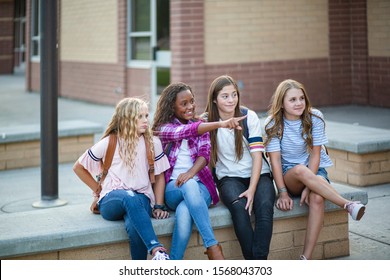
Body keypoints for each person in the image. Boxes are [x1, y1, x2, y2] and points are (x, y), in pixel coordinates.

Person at [264, 79, 366, 260]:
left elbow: (315, 155)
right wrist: (283, 193)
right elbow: (276, 161)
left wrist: (309, 187)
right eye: (293, 100)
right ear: (281, 103)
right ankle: (347, 205)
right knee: (299, 170)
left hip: (315, 170)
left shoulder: (315, 117)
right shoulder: (273, 124)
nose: (299, 103)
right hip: (290, 175)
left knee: (317, 198)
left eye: (301, 98)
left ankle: (305, 259)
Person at [152, 82, 245, 260]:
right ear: (172, 106)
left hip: (201, 188)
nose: (190, 107)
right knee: (188, 186)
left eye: (192, 102)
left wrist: (190, 173)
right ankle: (212, 246)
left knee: (185, 210)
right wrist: (220, 124)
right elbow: (185, 131)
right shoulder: (163, 128)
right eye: (184, 103)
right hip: (173, 188)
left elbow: (204, 154)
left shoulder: (201, 125)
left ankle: (174, 262)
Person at [73, 97, 171, 260]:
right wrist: (97, 189)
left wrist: (159, 205)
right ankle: (156, 249)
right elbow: (78, 167)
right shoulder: (110, 142)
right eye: (139, 117)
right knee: (128, 196)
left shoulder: (153, 142)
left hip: (142, 198)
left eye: (146, 116)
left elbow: (160, 176)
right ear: (126, 119)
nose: (145, 120)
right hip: (112, 200)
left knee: (134, 228)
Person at [204, 75, 276, 260]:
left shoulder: (248, 116)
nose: (231, 100)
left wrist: (252, 189)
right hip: (229, 178)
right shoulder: (208, 121)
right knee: (239, 209)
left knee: (265, 207)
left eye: (234, 95)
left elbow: (257, 155)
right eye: (225, 96)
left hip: (258, 174)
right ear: (214, 99)